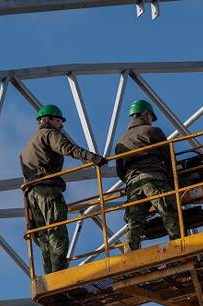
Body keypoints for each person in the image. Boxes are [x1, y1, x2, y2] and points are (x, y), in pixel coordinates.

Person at [20, 104, 107, 274]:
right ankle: (60, 273)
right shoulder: (49, 134)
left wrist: (28, 219)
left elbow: (24, 183)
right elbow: (67, 148)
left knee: (44, 237)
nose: (61, 126)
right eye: (58, 121)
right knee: (57, 233)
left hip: (32, 195)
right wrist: (92, 158)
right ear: (47, 120)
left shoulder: (27, 146)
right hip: (48, 191)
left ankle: (50, 276)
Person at [114, 99, 180, 252]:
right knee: (169, 212)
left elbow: (119, 171)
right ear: (145, 114)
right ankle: (178, 246)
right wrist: (172, 177)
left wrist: (131, 179)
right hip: (153, 178)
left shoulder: (121, 141)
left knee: (134, 223)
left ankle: (130, 256)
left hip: (133, 185)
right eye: (150, 116)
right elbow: (169, 157)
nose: (151, 120)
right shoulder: (153, 131)